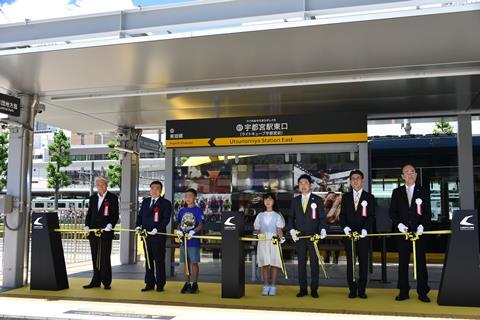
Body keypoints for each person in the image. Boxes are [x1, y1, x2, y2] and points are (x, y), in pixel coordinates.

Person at [389, 164, 432, 302]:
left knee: (420, 262)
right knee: (402, 263)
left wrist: (421, 227)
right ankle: (403, 291)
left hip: (419, 233)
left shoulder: (423, 191)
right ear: (402, 176)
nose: (410, 174)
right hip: (403, 234)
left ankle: (422, 292)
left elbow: (427, 213)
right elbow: (392, 212)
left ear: (416, 175)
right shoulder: (397, 192)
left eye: (412, 172)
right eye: (407, 172)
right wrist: (399, 225)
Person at [286, 174, 327, 298]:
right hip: (300, 238)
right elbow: (291, 218)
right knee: (301, 263)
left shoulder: (318, 200)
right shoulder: (295, 200)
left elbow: (322, 218)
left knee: (314, 263)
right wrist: (292, 230)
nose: (303, 185)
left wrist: (323, 229)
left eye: (305, 183)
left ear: (310, 185)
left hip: (313, 237)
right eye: (301, 183)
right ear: (298, 186)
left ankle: (314, 289)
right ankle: (303, 288)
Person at [339, 169, 375, 299]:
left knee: (363, 263)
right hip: (349, 237)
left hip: (363, 236)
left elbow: (371, 216)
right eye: (353, 178)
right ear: (350, 181)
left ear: (363, 180)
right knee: (350, 263)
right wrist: (345, 228)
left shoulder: (369, 197)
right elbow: (342, 215)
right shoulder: (345, 197)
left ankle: (362, 289)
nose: (355, 181)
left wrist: (365, 229)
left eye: (358, 178)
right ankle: (352, 289)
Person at [135, 180, 172, 292]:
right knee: (148, 260)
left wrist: (158, 229)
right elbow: (140, 215)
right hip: (146, 236)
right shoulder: (146, 201)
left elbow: (166, 219)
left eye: (157, 188)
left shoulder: (165, 203)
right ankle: (149, 283)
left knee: (159, 260)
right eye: (152, 188)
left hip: (158, 236)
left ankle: (160, 284)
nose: (154, 190)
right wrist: (138, 226)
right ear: (150, 190)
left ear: (161, 190)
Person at [83, 177, 119, 290]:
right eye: (98, 184)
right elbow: (90, 213)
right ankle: (96, 280)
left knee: (104, 256)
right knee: (95, 256)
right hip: (93, 231)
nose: (100, 186)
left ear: (106, 185)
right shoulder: (93, 198)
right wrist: (87, 225)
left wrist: (110, 225)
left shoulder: (112, 197)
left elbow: (115, 214)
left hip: (106, 231)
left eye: (102, 184)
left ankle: (106, 281)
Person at [253, 192, 286, 296]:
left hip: (274, 241)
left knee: (275, 264)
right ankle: (266, 285)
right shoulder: (260, 215)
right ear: (263, 201)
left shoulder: (277, 215)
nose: (268, 201)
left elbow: (279, 229)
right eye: (266, 199)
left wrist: (281, 238)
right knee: (265, 264)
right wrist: (258, 235)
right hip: (263, 242)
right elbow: (257, 229)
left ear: (274, 202)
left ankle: (273, 286)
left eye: (270, 199)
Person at [176, 188, 205, 294]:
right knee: (185, 263)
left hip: (193, 241)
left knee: (193, 262)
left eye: (190, 196)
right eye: (186, 196)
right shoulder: (182, 210)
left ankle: (195, 283)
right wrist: (179, 230)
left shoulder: (198, 210)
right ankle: (187, 283)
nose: (187, 198)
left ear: (195, 197)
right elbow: (179, 223)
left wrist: (193, 231)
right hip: (184, 241)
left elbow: (201, 224)